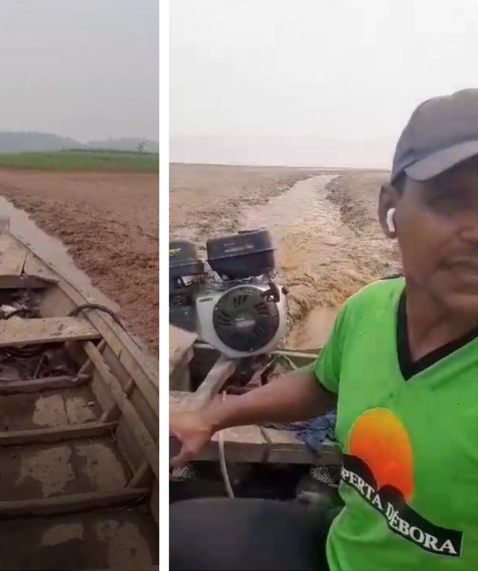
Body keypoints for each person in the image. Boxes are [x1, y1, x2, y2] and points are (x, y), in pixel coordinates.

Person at [169, 88, 478, 571]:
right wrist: (212, 416)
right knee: (176, 534)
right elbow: (319, 383)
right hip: (341, 548)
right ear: (389, 210)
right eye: (451, 200)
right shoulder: (370, 308)